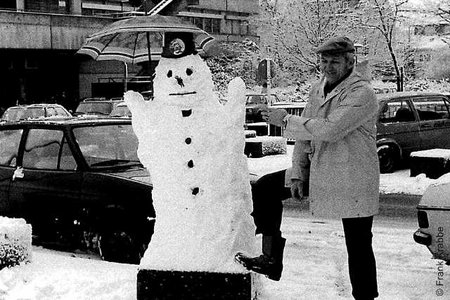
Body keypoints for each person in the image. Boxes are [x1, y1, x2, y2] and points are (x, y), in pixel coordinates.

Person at [236, 36, 379, 300]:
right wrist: (299, 174)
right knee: (267, 187)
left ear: (350, 62)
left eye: (334, 61)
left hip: (353, 176)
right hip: (321, 170)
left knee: (358, 243)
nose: (327, 67)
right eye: (324, 61)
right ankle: (270, 258)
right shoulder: (318, 88)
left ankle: (365, 297)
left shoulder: (362, 93)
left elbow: (331, 129)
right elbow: (305, 136)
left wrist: (287, 119)